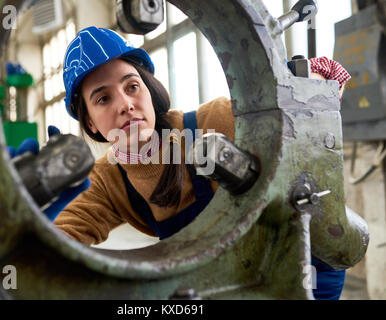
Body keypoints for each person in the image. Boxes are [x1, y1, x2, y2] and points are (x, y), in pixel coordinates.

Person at [40, 26, 350, 299]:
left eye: (131, 86)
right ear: (91, 123)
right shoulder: (106, 182)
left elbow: (326, 81)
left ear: (148, 90)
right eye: (103, 99)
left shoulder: (212, 122)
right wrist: (30, 204)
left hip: (299, 265)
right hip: (227, 280)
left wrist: (301, 80)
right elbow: (52, 247)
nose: (125, 104)